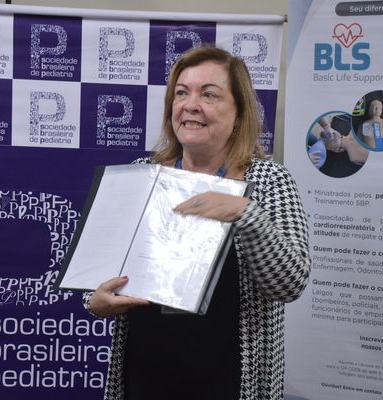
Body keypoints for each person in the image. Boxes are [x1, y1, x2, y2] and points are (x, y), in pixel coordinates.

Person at [82, 45, 311, 400]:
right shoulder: (142, 175)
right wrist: (95, 301)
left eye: (209, 94)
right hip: (146, 376)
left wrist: (245, 214)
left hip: (231, 380)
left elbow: (289, 283)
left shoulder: (269, 182)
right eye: (181, 93)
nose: (190, 105)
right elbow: (100, 273)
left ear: (239, 114)